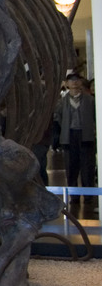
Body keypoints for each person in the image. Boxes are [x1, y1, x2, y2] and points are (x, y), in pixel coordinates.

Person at [55, 74, 97, 217]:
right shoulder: (62, 102)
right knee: (71, 168)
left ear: (80, 82)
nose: (74, 83)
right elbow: (58, 117)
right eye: (71, 81)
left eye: (76, 80)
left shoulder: (90, 100)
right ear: (66, 83)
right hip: (69, 137)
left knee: (87, 167)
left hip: (86, 136)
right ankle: (74, 196)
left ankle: (89, 196)